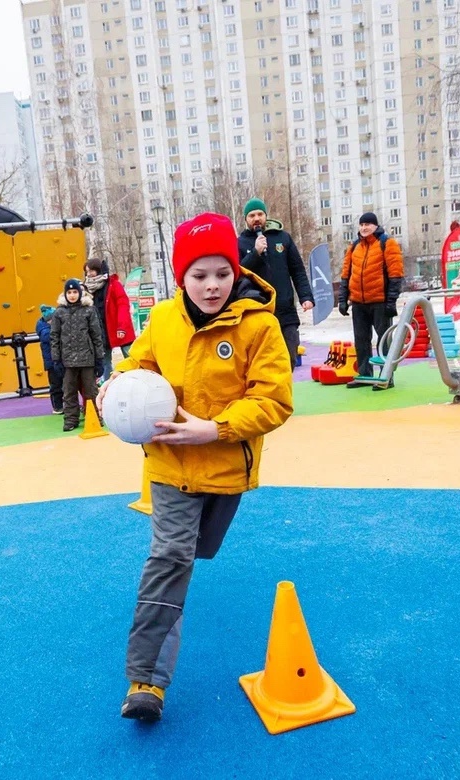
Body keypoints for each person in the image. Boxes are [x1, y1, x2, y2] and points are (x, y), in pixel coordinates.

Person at [96, 211, 293, 723]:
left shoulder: (259, 326)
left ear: (237, 271)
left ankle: (172, 594)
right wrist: (113, 387)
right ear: (180, 277)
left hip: (225, 468)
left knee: (200, 550)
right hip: (169, 465)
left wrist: (215, 428)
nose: (211, 286)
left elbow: (274, 399)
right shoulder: (162, 320)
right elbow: (138, 366)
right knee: (171, 558)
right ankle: (146, 682)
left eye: (221, 274)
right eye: (198, 275)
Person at [237, 197, 315, 367]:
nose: (256, 218)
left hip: (285, 309)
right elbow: (238, 274)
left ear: (266, 216)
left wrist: (306, 296)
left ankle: (287, 392)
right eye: (251, 215)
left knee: (290, 357)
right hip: (258, 310)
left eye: (260, 214)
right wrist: (255, 253)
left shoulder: (283, 238)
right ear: (246, 219)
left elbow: (298, 270)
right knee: (264, 362)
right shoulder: (240, 243)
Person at [337, 212, 404, 381]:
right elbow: (346, 275)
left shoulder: (387, 244)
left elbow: (395, 274)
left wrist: (391, 301)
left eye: (368, 224)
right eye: (362, 225)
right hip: (359, 302)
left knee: (384, 340)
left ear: (375, 226)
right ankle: (364, 374)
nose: (364, 228)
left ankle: (386, 376)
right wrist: (343, 299)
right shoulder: (354, 247)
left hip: (379, 301)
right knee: (361, 340)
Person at [50, 279, 105, 432]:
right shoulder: (59, 312)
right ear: (65, 294)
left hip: (87, 358)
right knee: (69, 391)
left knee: (91, 390)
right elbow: (54, 336)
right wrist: (56, 359)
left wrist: (99, 358)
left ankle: (95, 416)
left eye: (75, 292)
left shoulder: (89, 310)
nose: (72, 295)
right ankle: (70, 419)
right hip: (67, 360)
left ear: (80, 293)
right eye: (69, 292)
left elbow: (96, 334)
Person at [83, 258, 136, 382]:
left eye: (91, 271)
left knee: (131, 356)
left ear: (99, 269)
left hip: (118, 328)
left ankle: (137, 379)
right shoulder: (87, 288)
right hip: (100, 331)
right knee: (105, 362)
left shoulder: (113, 284)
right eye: (87, 272)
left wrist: (122, 327)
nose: (89, 274)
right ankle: (108, 387)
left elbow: (123, 305)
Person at [36, 303, 63, 414]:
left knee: (62, 384)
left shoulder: (46, 327)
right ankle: (57, 406)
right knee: (56, 385)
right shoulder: (45, 330)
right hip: (52, 362)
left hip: (57, 360)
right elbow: (48, 337)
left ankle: (63, 404)